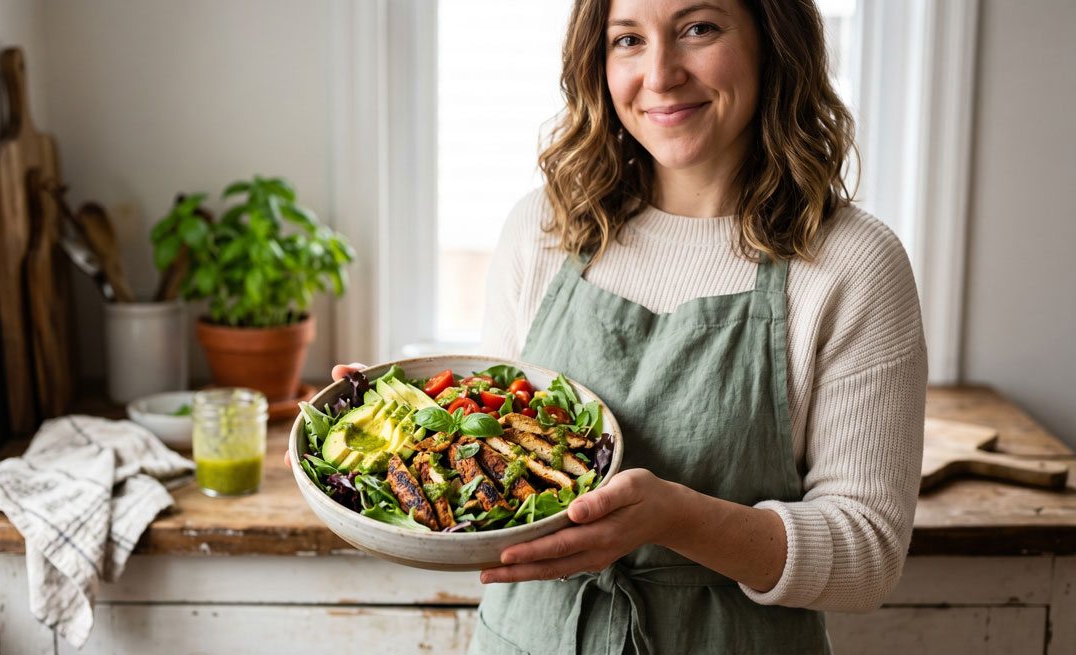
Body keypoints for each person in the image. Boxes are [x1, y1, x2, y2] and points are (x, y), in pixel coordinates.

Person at [299, 0, 927, 652]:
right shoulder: (543, 229)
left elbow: (867, 557)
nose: (660, 74)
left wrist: (677, 518)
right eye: (628, 39)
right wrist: (396, 433)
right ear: (596, 62)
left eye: (698, 28)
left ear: (772, 38)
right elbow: (488, 451)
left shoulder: (853, 262)